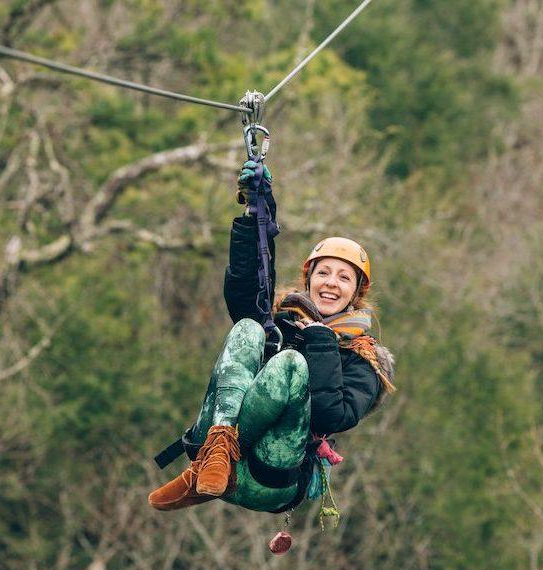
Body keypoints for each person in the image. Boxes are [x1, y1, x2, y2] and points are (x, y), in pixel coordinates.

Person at [147, 160, 395, 514]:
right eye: (324, 272)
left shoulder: (365, 359)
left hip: (272, 472)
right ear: (309, 280)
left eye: (344, 277)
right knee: (247, 326)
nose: (330, 283)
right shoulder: (281, 322)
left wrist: (322, 339)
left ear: (356, 292)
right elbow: (246, 290)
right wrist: (255, 212)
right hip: (214, 448)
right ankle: (215, 454)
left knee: (291, 362)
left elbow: (331, 417)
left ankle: (217, 458)